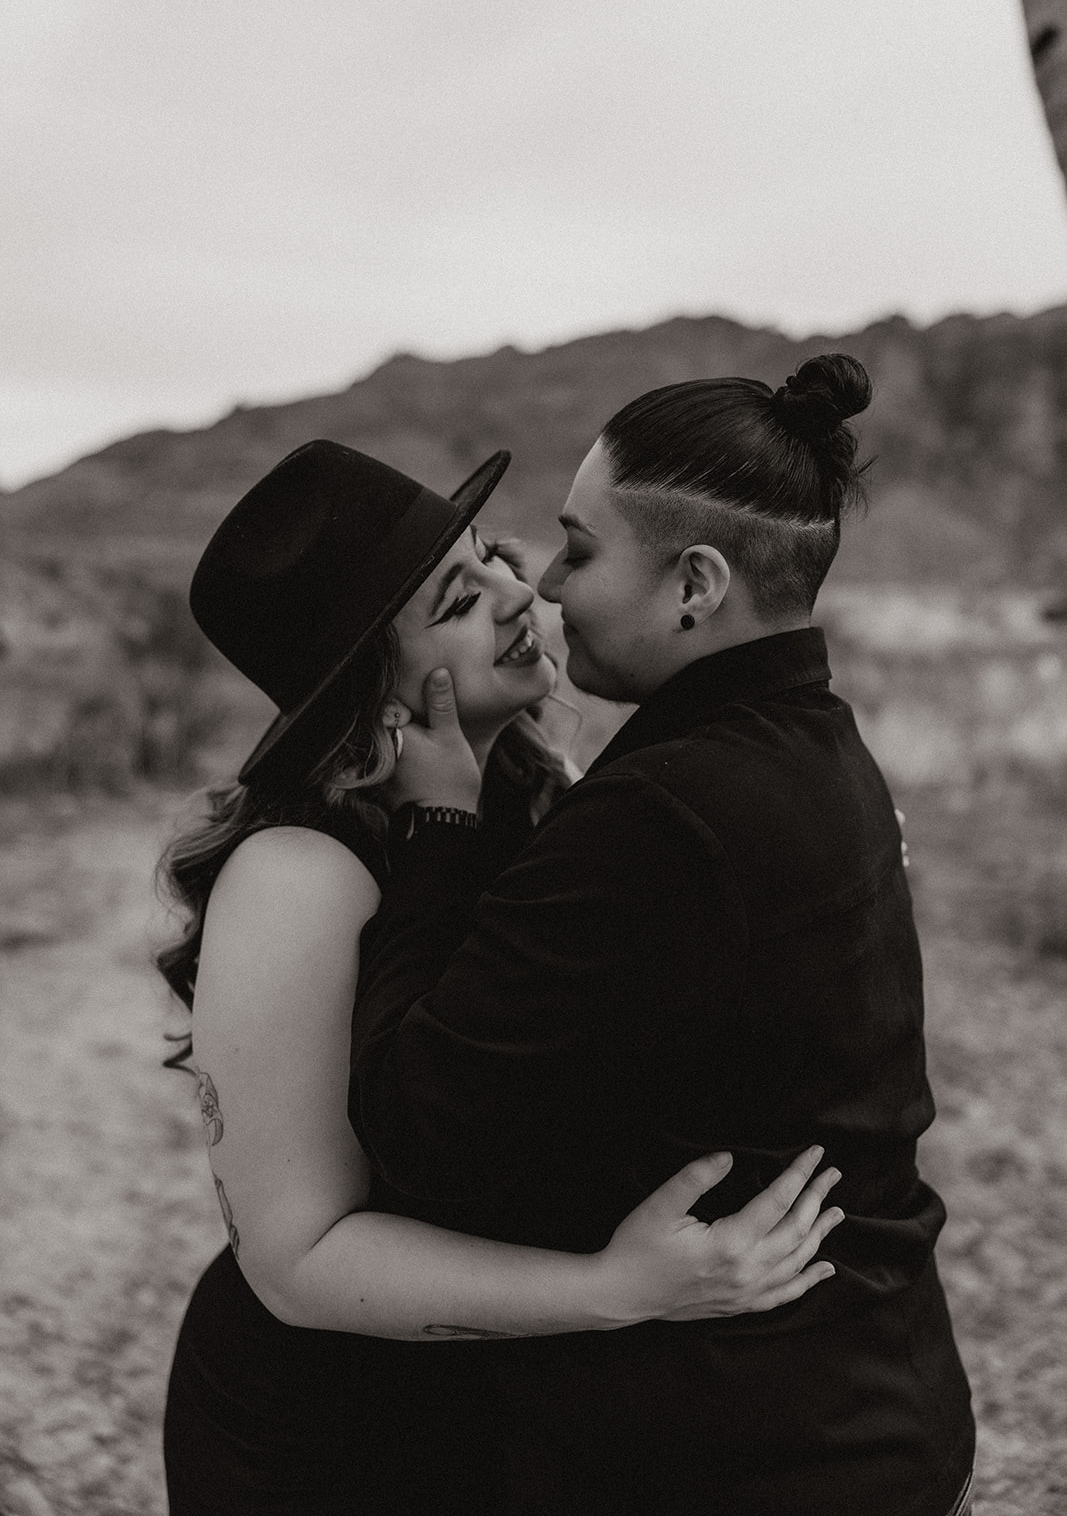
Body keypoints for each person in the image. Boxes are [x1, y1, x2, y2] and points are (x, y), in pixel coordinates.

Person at [159, 439, 843, 1516]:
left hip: (518, 1405)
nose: (519, 591)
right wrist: (610, 1292)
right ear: (369, 687)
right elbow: (293, 1262)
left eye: (490, 556)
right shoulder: (298, 873)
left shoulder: (546, 794)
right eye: (454, 598)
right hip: (331, 1431)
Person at [347, 355, 977, 1516]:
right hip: (871, 1399)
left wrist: (437, 828)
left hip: (742, 1455)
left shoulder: (664, 814)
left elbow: (415, 1126)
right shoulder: (816, 750)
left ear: (694, 583)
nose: (544, 581)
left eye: (579, 550)